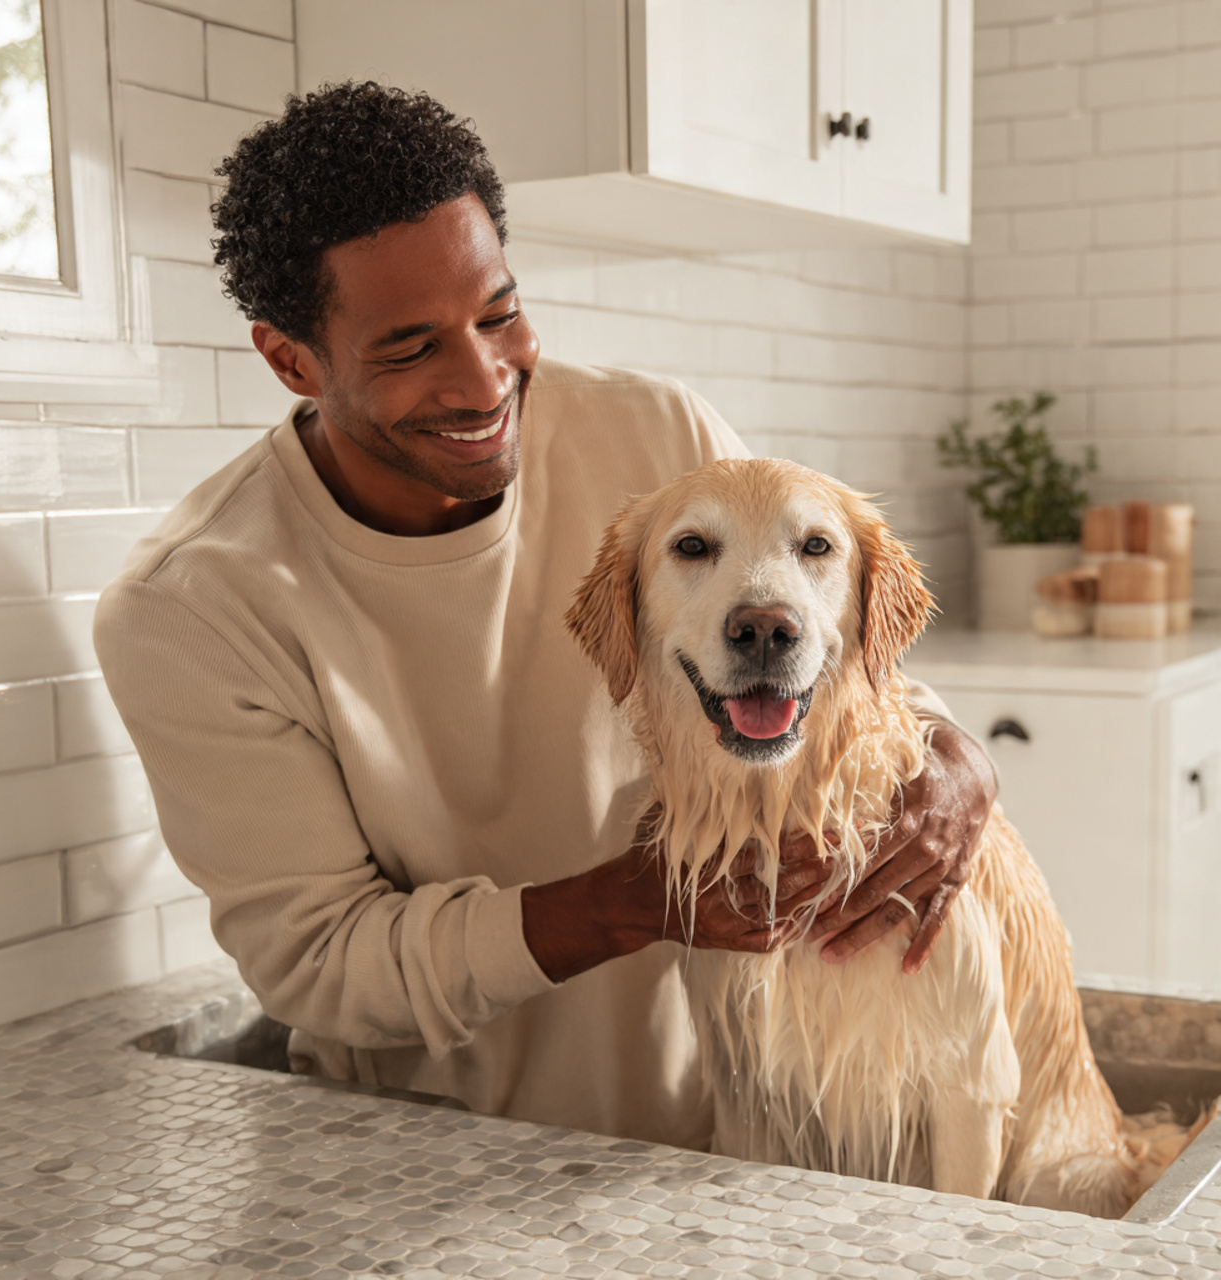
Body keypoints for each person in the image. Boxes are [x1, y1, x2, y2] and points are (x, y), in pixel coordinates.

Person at [94, 82, 995, 1150]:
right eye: (410, 348)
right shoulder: (194, 608)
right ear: (291, 359)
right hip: (424, 1157)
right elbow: (323, 964)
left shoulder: (655, 430)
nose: (483, 381)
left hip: (710, 1136)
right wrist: (636, 902)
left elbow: (821, 655)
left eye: (499, 314)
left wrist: (955, 753)